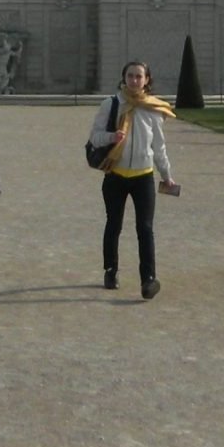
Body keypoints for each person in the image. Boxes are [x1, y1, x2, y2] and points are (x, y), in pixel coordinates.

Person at [86, 60, 177, 299]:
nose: (134, 80)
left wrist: (166, 176)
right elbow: (94, 137)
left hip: (143, 176)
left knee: (145, 228)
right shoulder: (111, 104)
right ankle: (110, 270)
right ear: (124, 78)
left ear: (147, 80)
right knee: (113, 224)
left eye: (139, 76)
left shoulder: (153, 108)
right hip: (115, 175)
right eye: (130, 76)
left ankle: (148, 279)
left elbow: (159, 147)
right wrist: (112, 137)